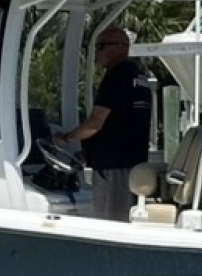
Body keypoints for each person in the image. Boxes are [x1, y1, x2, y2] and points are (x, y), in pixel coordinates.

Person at [57, 27, 152, 220]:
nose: (96, 53)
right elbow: (124, 122)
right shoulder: (140, 78)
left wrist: (66, 138)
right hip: (133, 166)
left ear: (120, 47)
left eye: (100, 46)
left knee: (109, 222)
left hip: (113, 168)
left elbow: (94, 124)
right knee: (124, 219)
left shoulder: (116, 77)